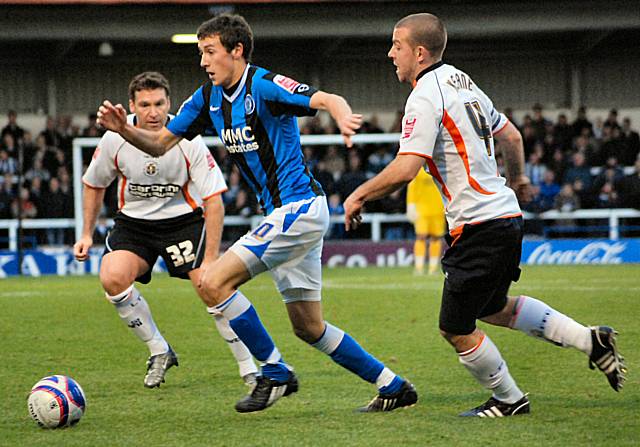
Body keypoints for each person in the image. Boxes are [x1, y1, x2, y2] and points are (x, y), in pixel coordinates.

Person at [97, 14, 416, 414]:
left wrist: (342, 114)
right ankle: (392, 385)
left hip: (297, 208)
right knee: (308, 327)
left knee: (212, 281)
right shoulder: (206, 98)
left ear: (237, 51)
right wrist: (122, 130)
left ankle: (275, 371)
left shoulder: (264, 85)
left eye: (209, 52)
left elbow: (323, 98)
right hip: (286, 215)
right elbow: (161, 143)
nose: (203, 62)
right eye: (201, 53)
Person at [344, 13, 626, 418]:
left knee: (455, 327)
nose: (391, 54)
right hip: (503, 216)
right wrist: (519, 179)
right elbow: (510, 135)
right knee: (495, 308)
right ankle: (589, 340)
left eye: (397, 45)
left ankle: (509, 400)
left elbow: (407, 168)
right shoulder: (464, 82)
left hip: (478, 224)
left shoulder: (425, 95)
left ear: (419, 53)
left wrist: (359, 195)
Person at [74, 71, 258, 389]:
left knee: (211, 285)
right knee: (112, 277)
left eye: (159, 103)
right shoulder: (115, 138)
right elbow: (93, 183)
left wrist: (212, 257)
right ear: (132, 105)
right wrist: (87, 233)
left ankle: (249, 367)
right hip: (134, 225)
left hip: (182, 223)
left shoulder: (187, 138)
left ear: (169, 103)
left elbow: (214, 200)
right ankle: (159, 350)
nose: (153, 112)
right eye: (145, 104)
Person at [406, 169, 445, 275]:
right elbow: (412, 187)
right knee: (421, 236)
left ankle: (433, 267)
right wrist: (411, 205)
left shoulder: (440, 168)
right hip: (421, 209)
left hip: (438, 208)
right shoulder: (419, 169)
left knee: (436, 237)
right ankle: (419, 267)